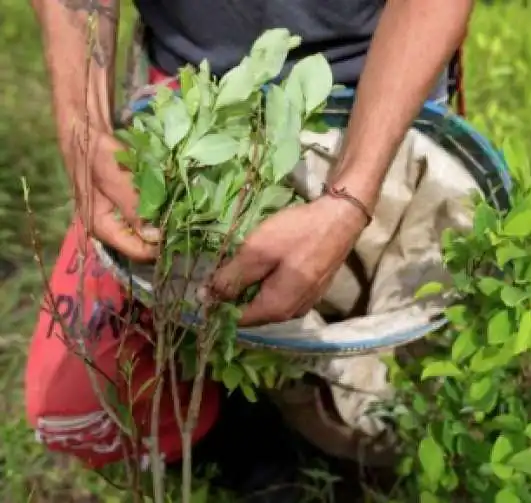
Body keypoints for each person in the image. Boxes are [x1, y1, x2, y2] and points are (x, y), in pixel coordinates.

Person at [24, 0, 473, 499]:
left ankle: (348, 455)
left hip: (380, 92)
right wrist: (82, 128)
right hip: (189, 98)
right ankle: (250, 450)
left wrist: (349, 198)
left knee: (389, 383)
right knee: (74, 402)